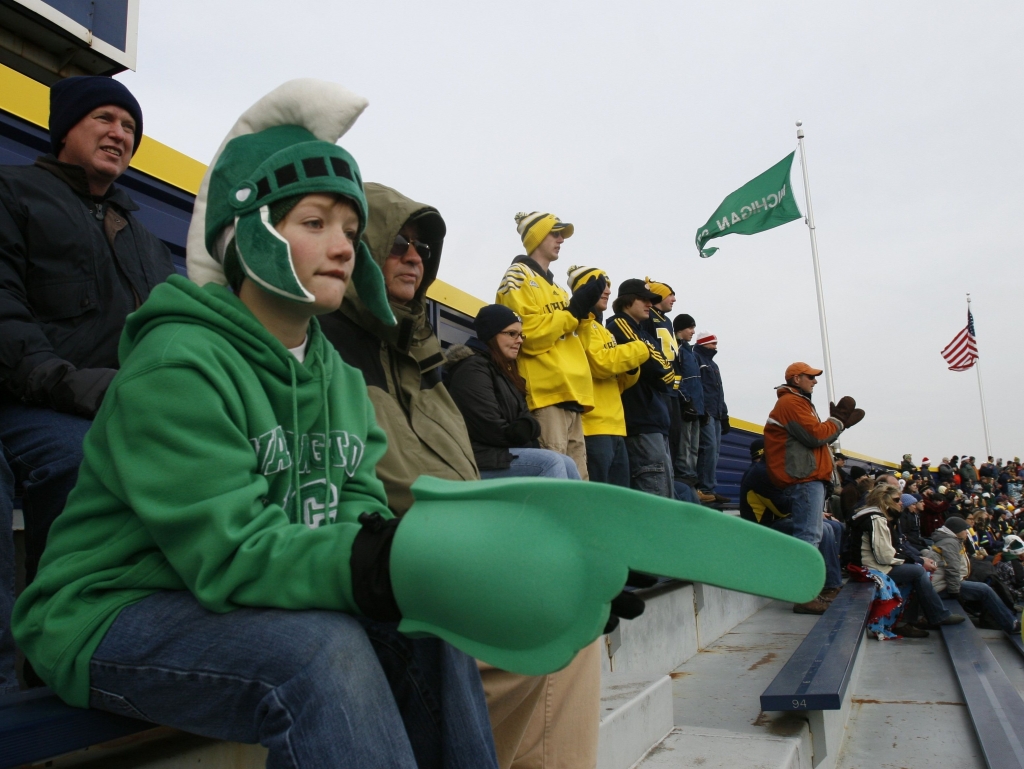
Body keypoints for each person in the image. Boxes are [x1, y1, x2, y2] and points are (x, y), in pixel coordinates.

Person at [14, 81, 502, 767]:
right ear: (251, 233)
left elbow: (359, 517)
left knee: (430, 626)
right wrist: (375, 567)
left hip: (242, 597)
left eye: (352, 230)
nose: (342, 247)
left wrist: (522, 580)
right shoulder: (176, 362)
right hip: (116, 608)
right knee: (318, 652)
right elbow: (229, 549)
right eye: (313, 223)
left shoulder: (334, 373)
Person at [321, 194, 603, 767]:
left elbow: (466, 464)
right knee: (551, 468)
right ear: (360, 249)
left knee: (578, 618)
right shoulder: (326, 347)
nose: (413, 258)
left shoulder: (417, 354)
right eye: (397, 244)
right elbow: (493, 437)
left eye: (423, 249)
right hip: (396, 570)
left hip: (446, 552)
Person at [0, 76, 174, 587]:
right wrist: (74, 384)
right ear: (64, 129)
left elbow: (173, 332)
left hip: (115, 405)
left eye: (130, 127)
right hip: (30, 401)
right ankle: (51, 636)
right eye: (104, 118)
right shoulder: (12, 193)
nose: (120, 133)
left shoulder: (145, 240)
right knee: (83, 462)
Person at [494, 212, 604, 480]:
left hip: (572, 396)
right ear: (537, 236)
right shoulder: (517, 277)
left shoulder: (558, 289)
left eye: (562, 234)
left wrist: (584, 311)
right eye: (555, 233)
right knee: (554, 482)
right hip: (547, 396)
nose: (560, 239)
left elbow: (570, 330)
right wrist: (571, 313)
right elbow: (526, 335)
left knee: (579, 484)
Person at [445, 304, 580, 481]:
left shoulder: (505, 372)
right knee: (551, 462)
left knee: (567, 462)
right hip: (477, 460)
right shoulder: (472, 369)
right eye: (511, 334)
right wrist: (520, 430)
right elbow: (488, 428)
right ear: (491, 335)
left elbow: (527, 421)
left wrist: (525, 427)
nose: (520, 340)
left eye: (520, 335)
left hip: (501, 454)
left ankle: (572, 510)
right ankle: (554, 510)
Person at [764, 362, 863, 548]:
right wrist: (838, 421)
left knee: (811, 536)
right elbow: (816, 435)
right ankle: (802, 577)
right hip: (805, 480)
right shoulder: (791, 402)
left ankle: (805, 576)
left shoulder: (798, 402)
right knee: (808, 539)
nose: (815, 381)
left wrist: (837, 425)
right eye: (810, 377)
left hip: (807, 479)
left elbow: (817, 437)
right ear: (797, 379)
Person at [567, 266, 650, 487]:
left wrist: (630, 369)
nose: (607, 291)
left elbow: (619, 383)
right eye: (601, 285)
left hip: (616, 427)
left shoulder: (603, 330)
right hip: (593, 429)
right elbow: (601, 364)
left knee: (616, 500)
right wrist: (641, 350)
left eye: (609, 286)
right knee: (598, 499)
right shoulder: (579, 326)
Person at [739, 439, 842, 614]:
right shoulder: (762, 474)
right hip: (762, 527)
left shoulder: (774, 470)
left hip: (777, 520)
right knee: (823, 530)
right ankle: (824, 587)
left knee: (833, 527)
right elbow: (782, 507)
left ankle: (830, 583)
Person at [847, 485, 964, 637]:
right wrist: (918, 562)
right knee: (917, 571)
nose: (901, 503)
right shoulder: (876, 518)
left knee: (917, 568)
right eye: (897, 500)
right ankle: (937, 616)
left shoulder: (881, 517)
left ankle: (908, 622)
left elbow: (897, 547)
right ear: (884, 500)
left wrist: (918, 559)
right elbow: (884, 556)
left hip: (874, 564)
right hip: (869, 568)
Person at [607, 280, 676, 497]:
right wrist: (660, 368)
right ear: (627, 301)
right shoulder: (618, 325)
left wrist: (661, 368)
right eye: (643, 299)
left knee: (666, 489)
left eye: (651, 300)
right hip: (640, 421)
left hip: (655, 419)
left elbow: (666, 368)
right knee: (653, 491)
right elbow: (658, 368)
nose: (649, 304)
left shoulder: (642, 331)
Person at [926, 517, 1021, 634]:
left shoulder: (949, 540)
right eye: (965, 530)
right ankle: (1010, 624)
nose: (967, 533)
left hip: (943, 583)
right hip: (941, 587)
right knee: (985, 590)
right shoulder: (950, 543)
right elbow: (952, 569)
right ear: (957, 531)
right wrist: (955, 591)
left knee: (983, 585)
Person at [693, 333, 730, 503]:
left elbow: (719, 392)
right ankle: (704, 488)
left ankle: (709, 488)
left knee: (714, 452)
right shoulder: (697, 359)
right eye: (713, 343)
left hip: (716, 413)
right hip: (706, 412)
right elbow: (698, 387)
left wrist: (724, 415)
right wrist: (702, 410)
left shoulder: (713, 364)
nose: (716, 346)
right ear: (705, 343)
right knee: (708, 448)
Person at [672, 313, 705, 498]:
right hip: (686, 407)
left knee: (694, 445)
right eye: (690, 328)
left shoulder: (691, 352)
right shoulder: (678, 350)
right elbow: (678, 378)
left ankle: (692, 478)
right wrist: (685, 401)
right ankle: (685, 477)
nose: (693, 331)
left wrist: (702, 408)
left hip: (697, 408)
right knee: (684, 445)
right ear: (680, 329)